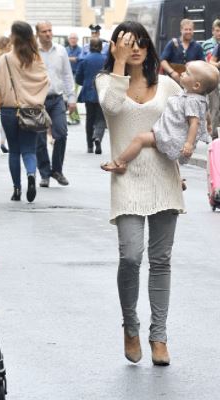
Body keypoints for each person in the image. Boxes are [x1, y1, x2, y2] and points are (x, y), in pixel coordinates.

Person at [95, 21, 185, 367]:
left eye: (140, 42)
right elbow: (113, 109)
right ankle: (130, 327)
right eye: (126, 43)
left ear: (149, 46)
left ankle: (158, 335)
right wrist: (119, 65)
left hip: (165, 177)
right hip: (126, 178)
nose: (135, 48)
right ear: (115, 47)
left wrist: (178, 157)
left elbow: (182, 124)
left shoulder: (167, 85)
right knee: (131, 256)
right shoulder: (107, 81)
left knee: (161, 261)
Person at [101, 60, 218, 173]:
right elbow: (204, 112)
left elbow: (194, 122)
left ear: (196, 85)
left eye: (187, 73)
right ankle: (176, 179)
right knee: (164, 159)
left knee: (140, 139)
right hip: (172, 133)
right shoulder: (199, 98)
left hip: (171, 136)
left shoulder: (191, 100)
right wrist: (208, 123)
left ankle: (120, 162)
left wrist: (189, 144)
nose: (182, 73)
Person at [0, 21, 49, 202]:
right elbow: (45, 82)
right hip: (31, 111)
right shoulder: (37, 59)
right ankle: (31, 175)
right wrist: (35, 100)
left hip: (9, 110)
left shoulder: (5, 59)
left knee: (14, 151)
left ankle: (17, 189)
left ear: (14, 36)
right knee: (29, 150)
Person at [36, 21, 76, 188]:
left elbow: (67, 74)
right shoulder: (33, 52)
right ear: (38, 33)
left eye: (50, 30)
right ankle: (45, 173)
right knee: (39, 138)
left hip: (57, 98)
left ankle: (57, 170)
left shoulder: (61, 51)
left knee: (61, 133)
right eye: (44, 31)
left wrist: (72, 97)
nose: (48, 34)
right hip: (38, 100)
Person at [76, 38, 107, 154]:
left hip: (88, 92)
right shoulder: (106, 60)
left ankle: (89, 146)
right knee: (101, 118)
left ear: (90, 47)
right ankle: (98, 136)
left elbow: (78, 77)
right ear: (100, 47)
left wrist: (85, 82)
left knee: (90, 119)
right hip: (102, 92)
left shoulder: (85, 59)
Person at [160, 19, 204, 83]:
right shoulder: (173, 43)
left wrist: (193, 65)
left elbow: (203, 64)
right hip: (173, 81)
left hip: (190, 82)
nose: (188, 32)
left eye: (190, 29)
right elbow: (162, 60)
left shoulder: (197, 46)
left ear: (193, 30)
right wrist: (172, 72)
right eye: (186, 29)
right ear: (181, 30)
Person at [66, 32, 82, 125]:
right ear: (68, 40)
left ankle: (74, 118)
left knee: (73, 96)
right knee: (69, 97)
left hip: (76, 76)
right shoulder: (65, 49)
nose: (73, 40)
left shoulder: (80, 50)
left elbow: (79, 59)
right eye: (71, 38)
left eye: (75, 38)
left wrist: (67, 58)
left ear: (77, 40)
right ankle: (75, 117)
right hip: (67, 76)